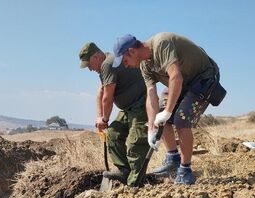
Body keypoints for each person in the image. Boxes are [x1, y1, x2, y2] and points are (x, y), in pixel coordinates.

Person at [112, 32, 225, 185]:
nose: (126, 65)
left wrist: (168, 112)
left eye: (125, 60)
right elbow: (151, 94)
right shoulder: (145, 65)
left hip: (204, 78)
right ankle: (173, 159)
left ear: (132, 51)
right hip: (183, 84)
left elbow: (175, 76)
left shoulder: (160, 44)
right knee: (159, 116)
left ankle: (185, 170)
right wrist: (152, 126)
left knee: (180, 119)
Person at [79, 42, 150, 186]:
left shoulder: (108, 64)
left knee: (135, 143)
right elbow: (100, 93)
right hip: (128, 109)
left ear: (97, 56)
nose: (89, 69)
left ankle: (135, 182)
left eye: (89, 64)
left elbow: (108, 97)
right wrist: (100, 117)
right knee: (113, 134)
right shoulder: (106, 65)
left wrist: (105, 119)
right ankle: (124, 171)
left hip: (141, 105)